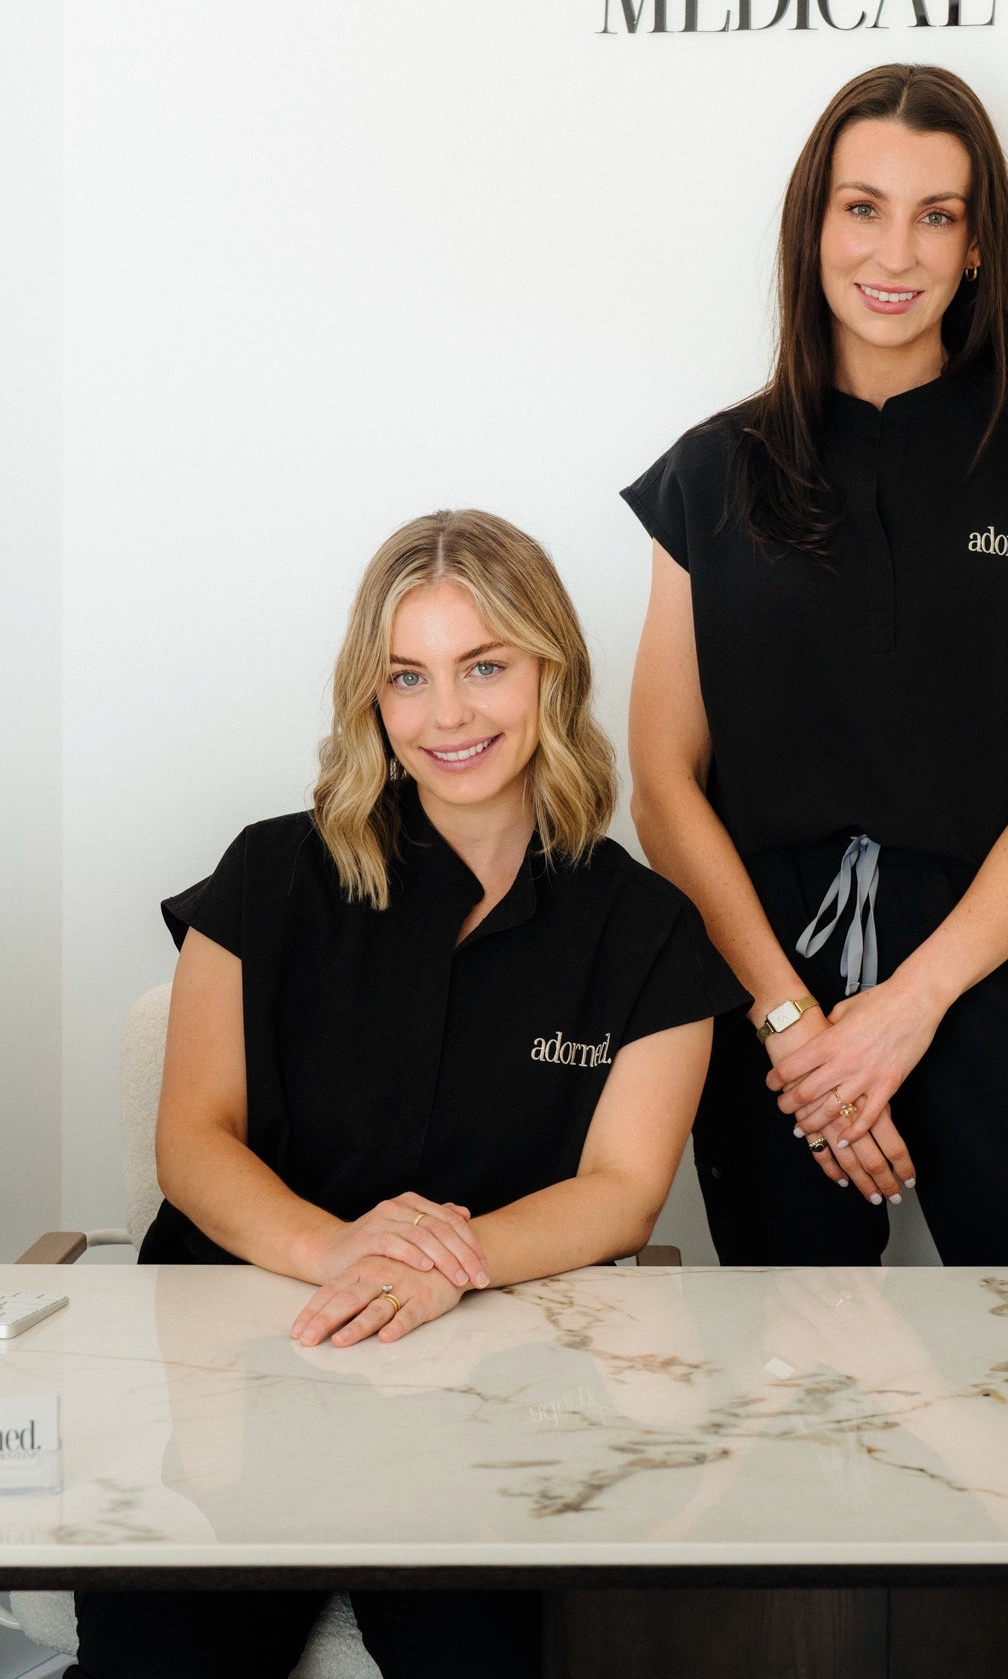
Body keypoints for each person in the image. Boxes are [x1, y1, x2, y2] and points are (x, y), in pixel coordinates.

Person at [71, 508, 743, 1679]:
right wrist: (340, 1252)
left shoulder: (646, 930)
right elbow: (194, 1138)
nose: (449, 715)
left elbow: (625, 1191)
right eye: (407, 676)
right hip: (243, 1353)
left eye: (486, 666)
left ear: (552, 670)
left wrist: (443, 1264)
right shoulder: (268, 874)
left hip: (486, 1386)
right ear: (369, 697)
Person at [623, 63, 1008, 1272]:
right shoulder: (708, 477)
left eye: (938, 214)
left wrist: (908, 1009)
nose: (897, 251)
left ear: (977, 246)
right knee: (796, 1381)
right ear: (812, 226)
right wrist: (793, 1026)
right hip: (771, 991)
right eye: (863, 206)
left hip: (994, 967)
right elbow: (661, 780)